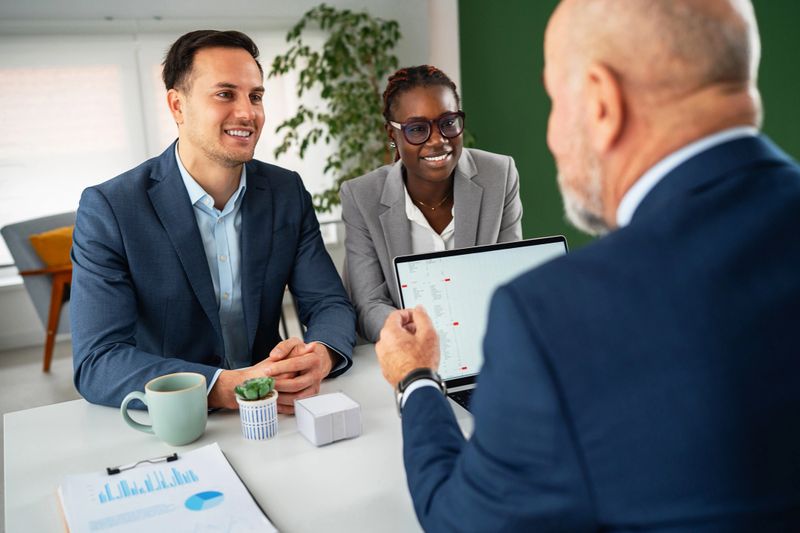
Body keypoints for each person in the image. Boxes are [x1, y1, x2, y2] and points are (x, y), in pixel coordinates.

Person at [376, 0, 800, 530]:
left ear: (602, 100)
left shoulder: (551, 319)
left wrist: (416, 377)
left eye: (555, 100)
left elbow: (461, 521)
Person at [71, 30, 356, 413]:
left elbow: (328, 303)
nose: (247, 112)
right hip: (178, 421)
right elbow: (98, 361)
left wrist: (320, 354)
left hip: (274, 411)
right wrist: (223, 386)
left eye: (255, 96)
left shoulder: (286, 191)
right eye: (225, 94)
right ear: (177, 106)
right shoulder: (111, 208)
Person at [340, 65, 523, 342]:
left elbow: (509, 278)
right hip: (404, 350)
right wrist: (411, 334)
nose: (438, 140)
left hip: (482, 344)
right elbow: (369, 304)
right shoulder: (361, 195)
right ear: (392, 134)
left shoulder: (499, 174)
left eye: (448, 123)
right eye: (417, 129)